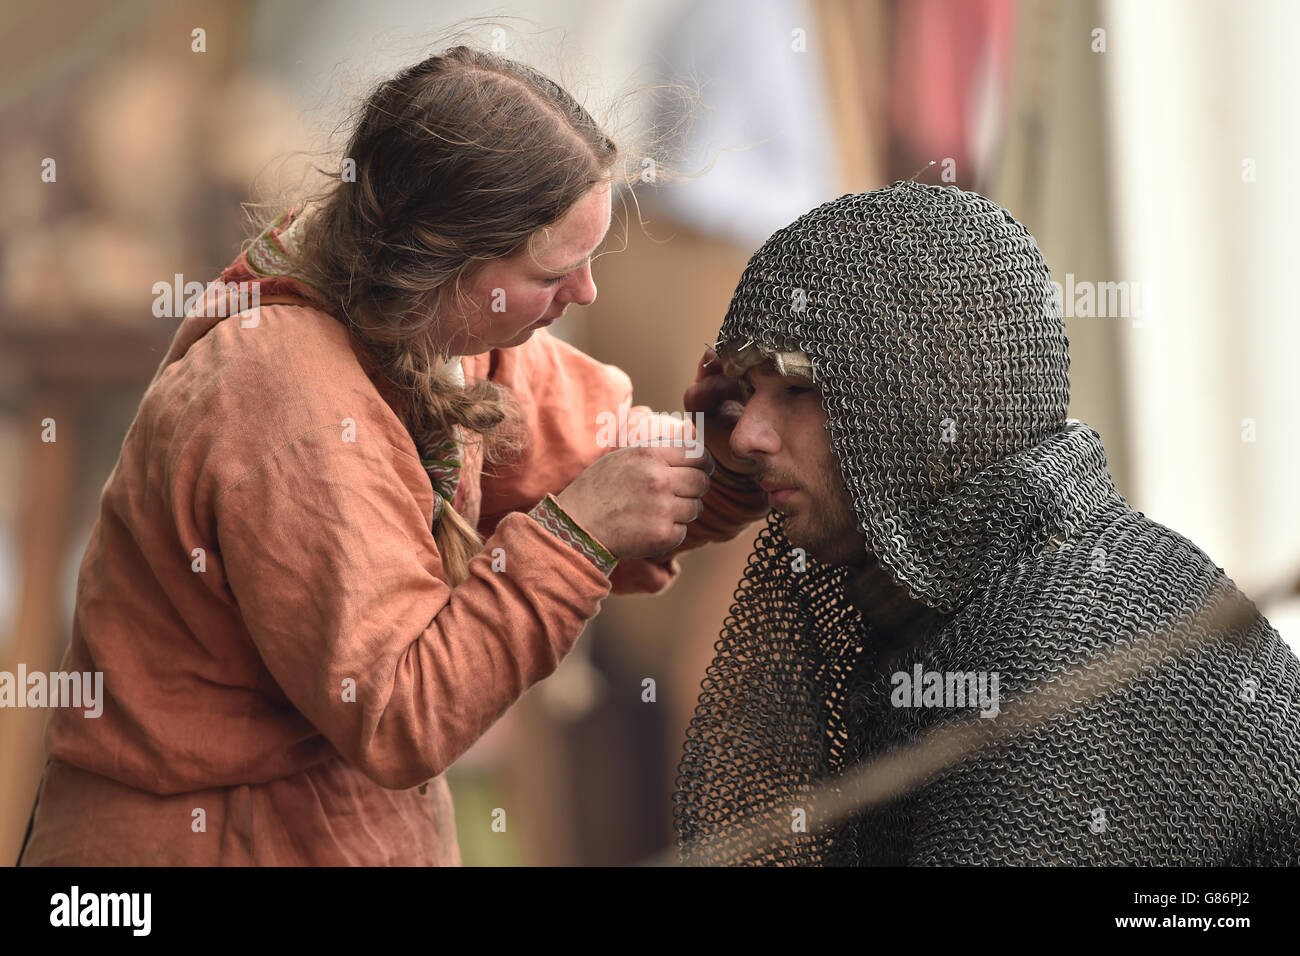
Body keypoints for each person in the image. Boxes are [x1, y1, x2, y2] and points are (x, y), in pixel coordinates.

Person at [17, 46, 769, 866]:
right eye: (554, 270)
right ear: (444, 263)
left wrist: (730, 450)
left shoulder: (445, 335)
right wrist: (580, 534)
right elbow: (399, 709)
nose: (585, 293)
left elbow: (603, 454)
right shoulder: (285, 403)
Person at [672, 181, 1300, 865]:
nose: (745, 437)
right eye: (745, 394)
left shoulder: (1067, 635)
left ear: (919, 398)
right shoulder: (964, 592)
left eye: (795, 390)